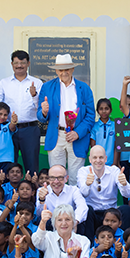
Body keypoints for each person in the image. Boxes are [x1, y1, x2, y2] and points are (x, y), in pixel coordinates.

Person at [37, 54, 95, 182]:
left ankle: (75, 202)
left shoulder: (84, 88)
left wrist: (77, 133)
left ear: (72, 69)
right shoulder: (47, 87)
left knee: (76, 178)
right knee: (57, 177)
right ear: (56, 71)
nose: (64, 72)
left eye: (67, 69)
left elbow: (90, 116)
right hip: (56, 136)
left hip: (77, 137)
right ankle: (59, 203)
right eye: (61, 70)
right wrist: (44, 112)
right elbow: (40, 116)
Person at [0, 50, 43, 173]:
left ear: (28, 63)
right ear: (12, 64)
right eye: (16, 63)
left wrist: (34, 95)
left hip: (30, 129)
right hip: (8, 130)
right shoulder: (4, 83)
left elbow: (41, 109)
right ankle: (10, 192)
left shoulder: (37, 83)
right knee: (9, 166)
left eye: (22, 62)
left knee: (32, 165)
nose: (19, 65)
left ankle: (33, 191)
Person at [76, 146, 130, 229]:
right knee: (86, 210)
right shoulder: (83, 171)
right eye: (95, 157)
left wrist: (124, 184)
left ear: (105, 159)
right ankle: (89, 241)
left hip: (111, 213)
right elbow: (83, 195)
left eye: (101, 157)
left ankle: (125, 240)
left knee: (125, 209)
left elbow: (128, 194)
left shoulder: (114, 170)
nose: (98, 160)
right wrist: (87, 184)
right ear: (90, 159)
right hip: (93, 213)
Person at [37, 165, 90, 236]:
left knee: (87, 214)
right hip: (50, 226)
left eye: (60, 178)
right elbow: (38, 214)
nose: (56, 181)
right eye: (52, 178)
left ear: (66, 178)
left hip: (69, 225)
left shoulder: (73, 190)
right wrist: (41, 200)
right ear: (48, 179)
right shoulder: (41, 190)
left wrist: (74, 222)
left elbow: (83, 206)